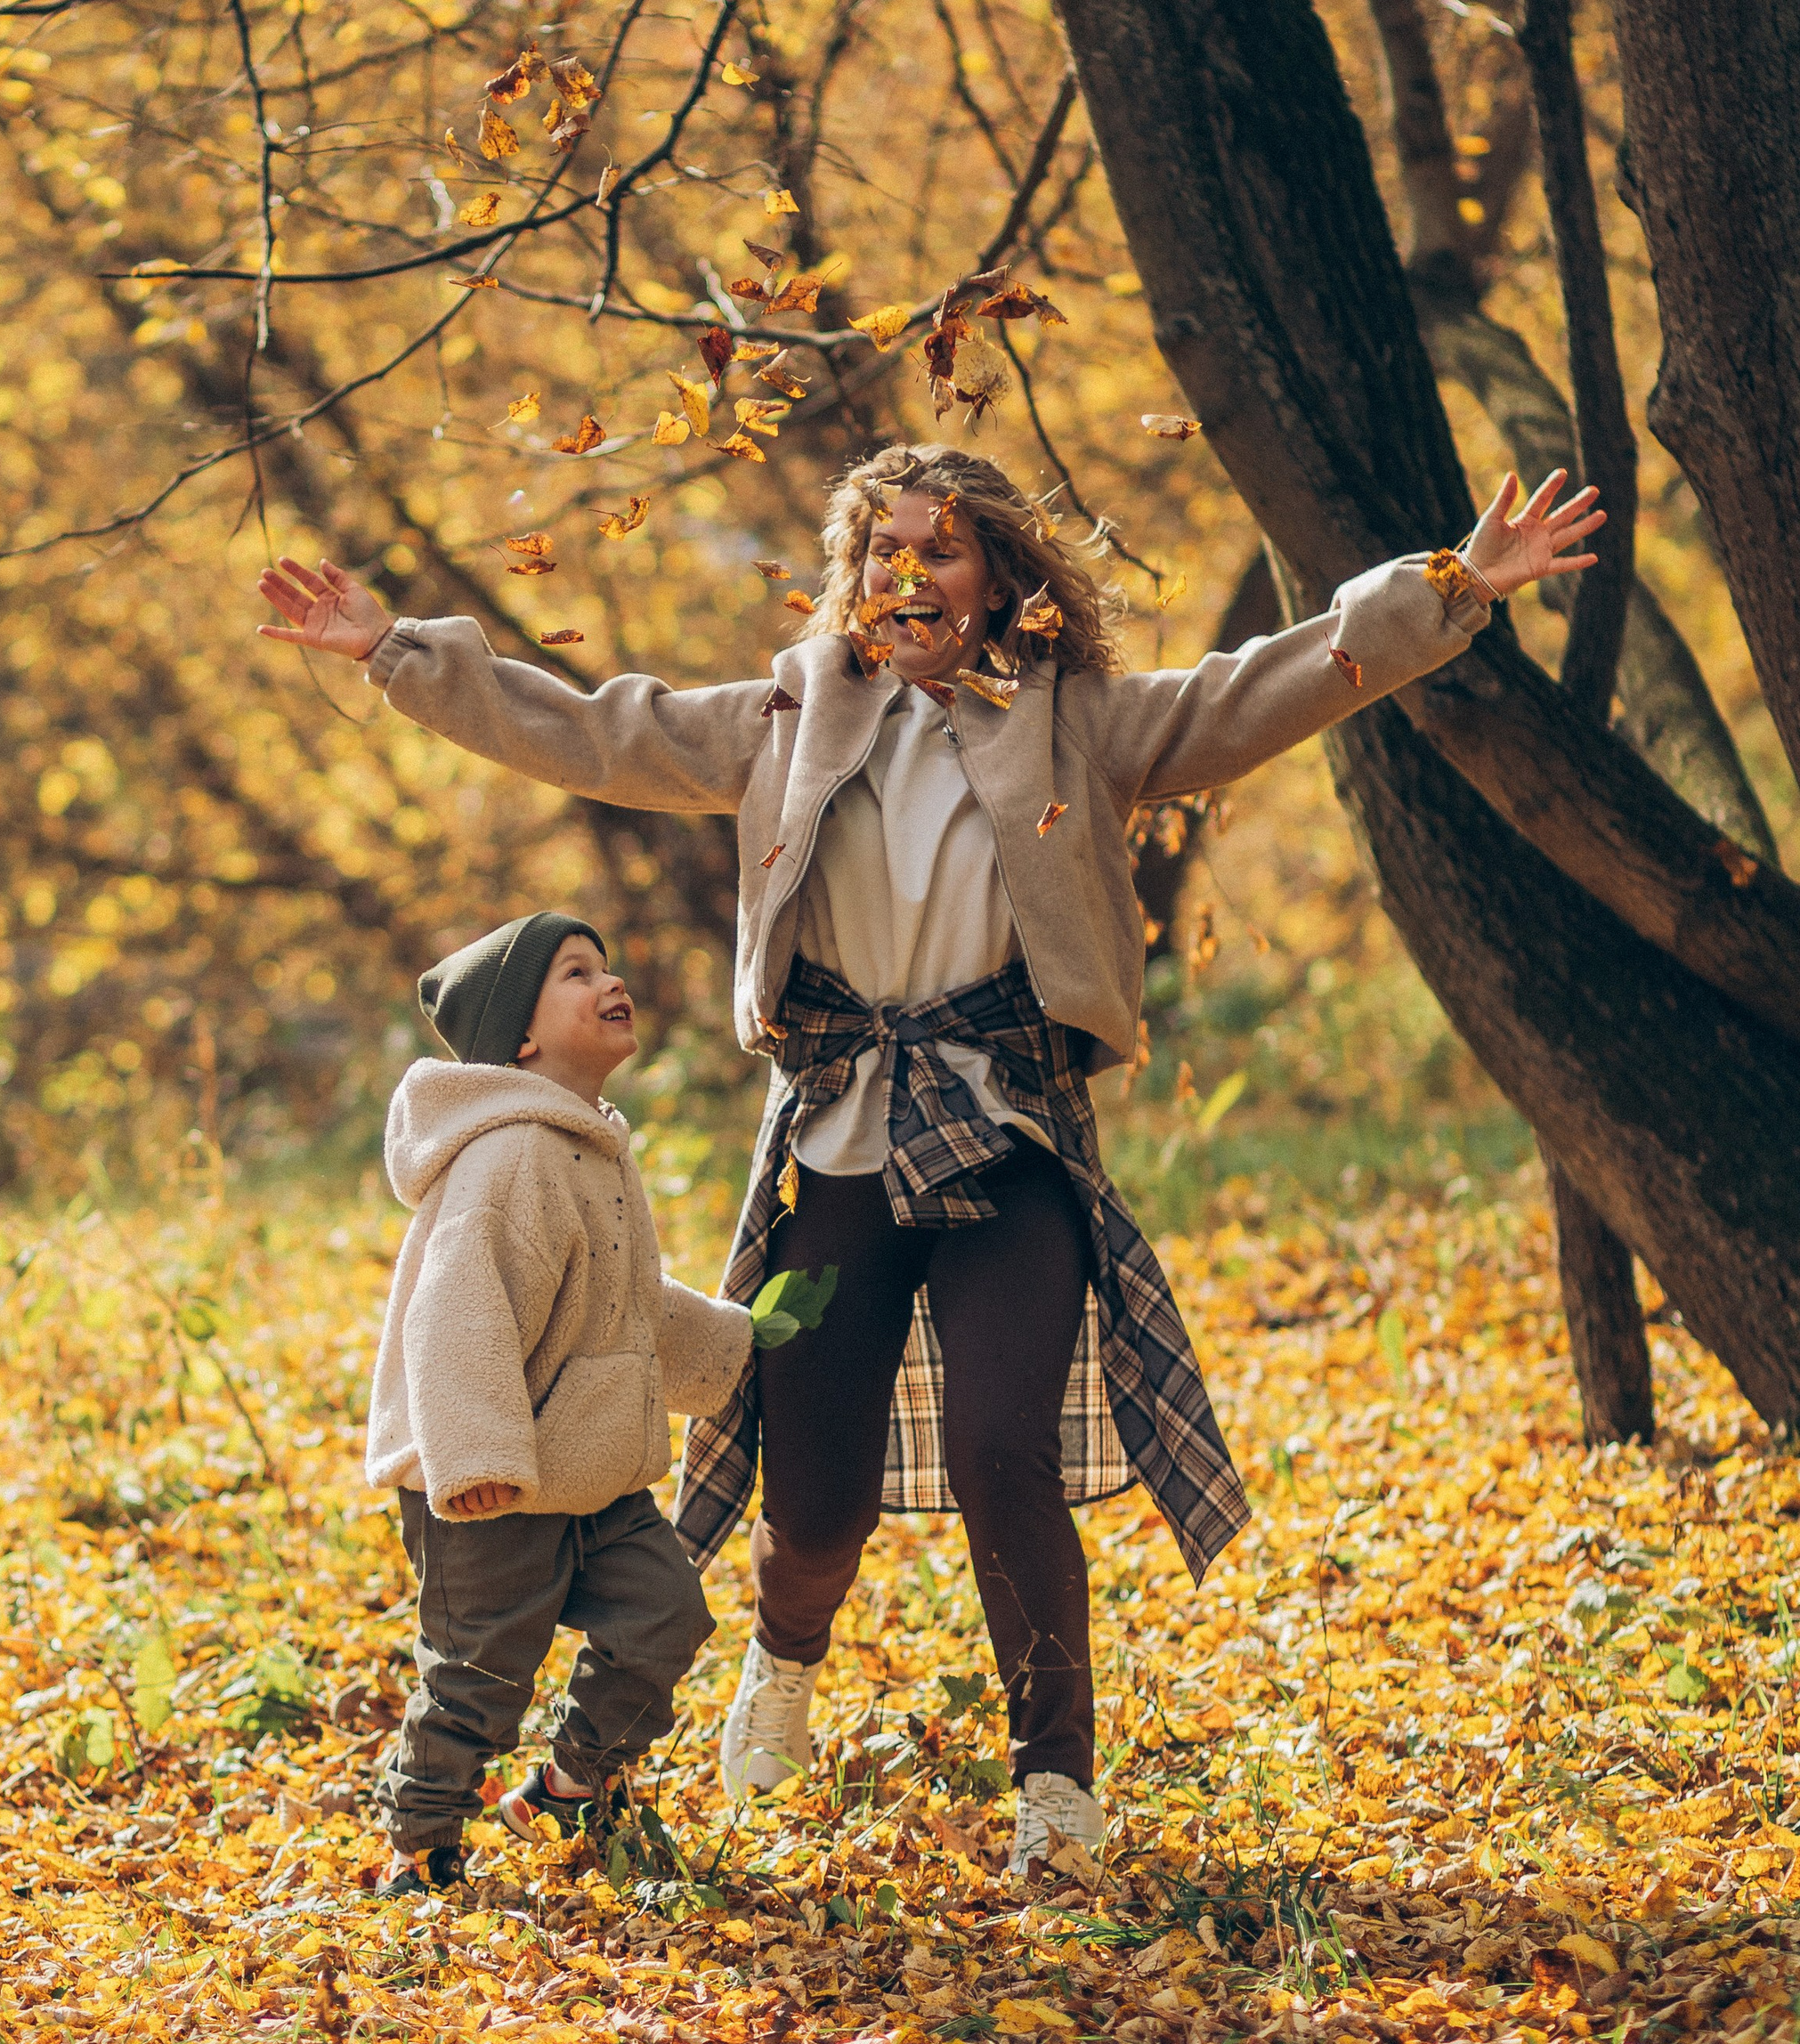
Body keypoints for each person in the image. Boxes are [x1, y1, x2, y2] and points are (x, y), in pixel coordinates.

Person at [264, 443, 1600, 1883]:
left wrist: (1450, 585)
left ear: (1000, 580)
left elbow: (1267, 682)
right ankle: (784, 1660)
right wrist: (394, 651)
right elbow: (590, 728)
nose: (911, 574)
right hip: (840, 1131)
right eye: (884, 551)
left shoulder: (1075, 719)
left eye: (943, 549)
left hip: (1007, 1131)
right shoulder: (785, 713)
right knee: (816, 1485)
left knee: (997, 1446)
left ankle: (1056, 1787)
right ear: (851, 580)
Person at [365, 909, 820, 1894]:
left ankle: (572, 1782)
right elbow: (457, 1311)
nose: (608, 981)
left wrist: (733, 1342)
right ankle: (419, 1843)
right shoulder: (507, 1158)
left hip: (586, 1472)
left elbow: (622, 1304)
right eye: (576, 972)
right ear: (522, 1036)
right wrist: (477, 1455)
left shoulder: (589, 1147)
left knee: (664, 1613)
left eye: (605, 964)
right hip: (486, 1484)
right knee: (478, 1676)